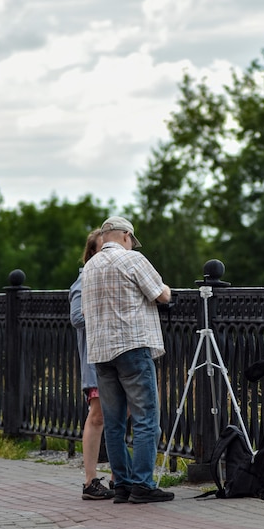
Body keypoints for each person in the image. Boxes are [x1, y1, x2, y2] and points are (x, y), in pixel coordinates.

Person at [81, 216, 174, 504]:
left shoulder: (89, 267)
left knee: (114, 422)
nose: (132, 243)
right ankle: (142, 485)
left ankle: (120, 484)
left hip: (101, 352)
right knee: (147, 420)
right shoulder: (133, 259)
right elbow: (162, 295)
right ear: (125, 236)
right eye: (132, 239)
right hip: (132, 347)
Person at [69, 228, 114, 500]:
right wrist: (107, 313)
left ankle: (117, 477)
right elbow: (76, 317)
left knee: (123, 415)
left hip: (113, 357)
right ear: (93, 253)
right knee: (97, 417)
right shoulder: (85, 278)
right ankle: (89, 480)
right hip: (95, 360)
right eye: (103, 247)